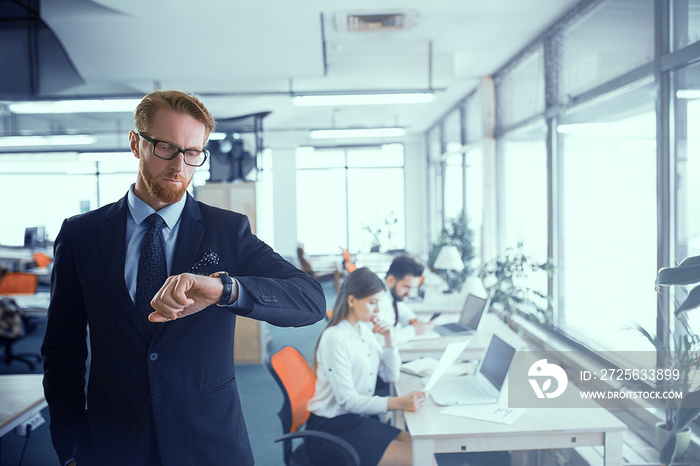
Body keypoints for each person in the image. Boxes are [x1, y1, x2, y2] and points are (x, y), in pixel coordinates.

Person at [41, 90, 326, 466]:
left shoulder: (227, 230)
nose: (180, 166)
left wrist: (227, 289)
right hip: (113, 444)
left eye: (193, 153)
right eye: (166, 147)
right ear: (135, 143)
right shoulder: (82, 235)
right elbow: (62, 352)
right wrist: (72, 447)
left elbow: (311, 301)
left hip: (210, 442)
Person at [306, 267, 426, 466]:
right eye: (372, 303)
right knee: (419, 459)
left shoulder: (364, 330)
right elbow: (347, 401)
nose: (378, 310)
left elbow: (390, 376)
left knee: (423, 449)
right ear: (351, 301)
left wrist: (389, 341)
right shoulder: (334, 338)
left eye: (378, 303)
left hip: (356, 419)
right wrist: (397, 403)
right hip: (330, 430)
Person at [376, 255, 429, 345]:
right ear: (391, 280)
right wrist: (414, 330)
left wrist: (413, 320)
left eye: (413, 288)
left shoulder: (393, 295)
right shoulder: (378, 300)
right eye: (406, 287)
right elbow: (383, 339)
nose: (409, 293)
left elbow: (403, 312)